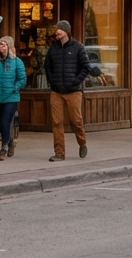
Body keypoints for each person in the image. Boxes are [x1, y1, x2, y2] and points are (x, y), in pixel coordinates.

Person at [44, 20, 91, 161]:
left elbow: (86, 67)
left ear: (66, 31)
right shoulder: (53, 47)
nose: (57, 31)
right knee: (57, 123)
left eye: (60, 29)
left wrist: (76, 81)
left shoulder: (78, 47)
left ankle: (82, 143)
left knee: (76, 121)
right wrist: (52, 81)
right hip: (56, 91)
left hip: (74, 91)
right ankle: (59, 153)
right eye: (56, 29)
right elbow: (47, 66)